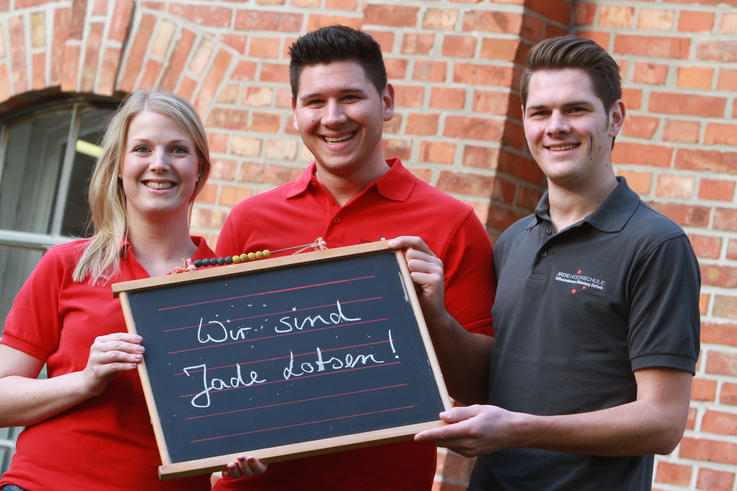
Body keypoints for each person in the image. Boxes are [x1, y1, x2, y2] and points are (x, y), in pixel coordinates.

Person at [392, 35, 701, 490]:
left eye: (575, 110)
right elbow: (488, 382)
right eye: (540, 112)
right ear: (525, 122)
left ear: (614, 118)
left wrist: (518, 429)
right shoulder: (515, 240)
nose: (556, 126)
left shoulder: (656, 245)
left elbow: (662, 422)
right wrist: (435, 313)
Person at [212, 25, 496, 490]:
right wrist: (222, 445)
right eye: (315, 102)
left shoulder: (451, 224)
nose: (333, 117)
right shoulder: (250, 221)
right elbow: (218, 365)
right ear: (295, 111)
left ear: (386, 101)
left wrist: (434, 313)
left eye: (350, 97)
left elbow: (479, 388)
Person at [0, 90, 217, 490]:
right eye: (142, 148)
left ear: (200, 168)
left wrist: (255, 453)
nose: (159, 163)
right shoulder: (68, 265)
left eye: (177, 150)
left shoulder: (226, 284)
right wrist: (85, 380)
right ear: (119, 165)